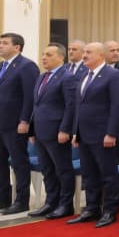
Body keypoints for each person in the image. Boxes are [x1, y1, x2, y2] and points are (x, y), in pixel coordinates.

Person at [67, 42, 119, 227]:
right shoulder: (85, 75)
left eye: (89, 52)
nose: (84, 55)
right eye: (84, 52)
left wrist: (111, 133)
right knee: (89, 174)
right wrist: (76, 132)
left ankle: (110, 210)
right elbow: (79, 107)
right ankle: (92, 208)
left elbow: (117, 106)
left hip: (103, 134)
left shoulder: (113, 75)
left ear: (101, 55)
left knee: (108, 174)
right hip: (84, 134)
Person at [0, 32, 39, 214]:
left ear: (17, 47)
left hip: (15, 124)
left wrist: (25, 120)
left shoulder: (27, 66)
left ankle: (21, 200)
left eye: (5, 43)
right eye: (0, 43)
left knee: (19, 162)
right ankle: (1, 198)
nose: (0, 46)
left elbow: (30, 97)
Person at [27, 43, 77, 220]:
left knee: (62, 169)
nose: (44, 58)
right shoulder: (42, 77)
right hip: (41, 131)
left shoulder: (67, 77)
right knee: (47, 169)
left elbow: (71, 106)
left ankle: (66, 205)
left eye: (49, 55)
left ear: (61, 58)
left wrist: (65, 129)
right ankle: (51, 202)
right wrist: (32, 130)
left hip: (57, 132)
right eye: (43, 54)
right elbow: (37, 105)